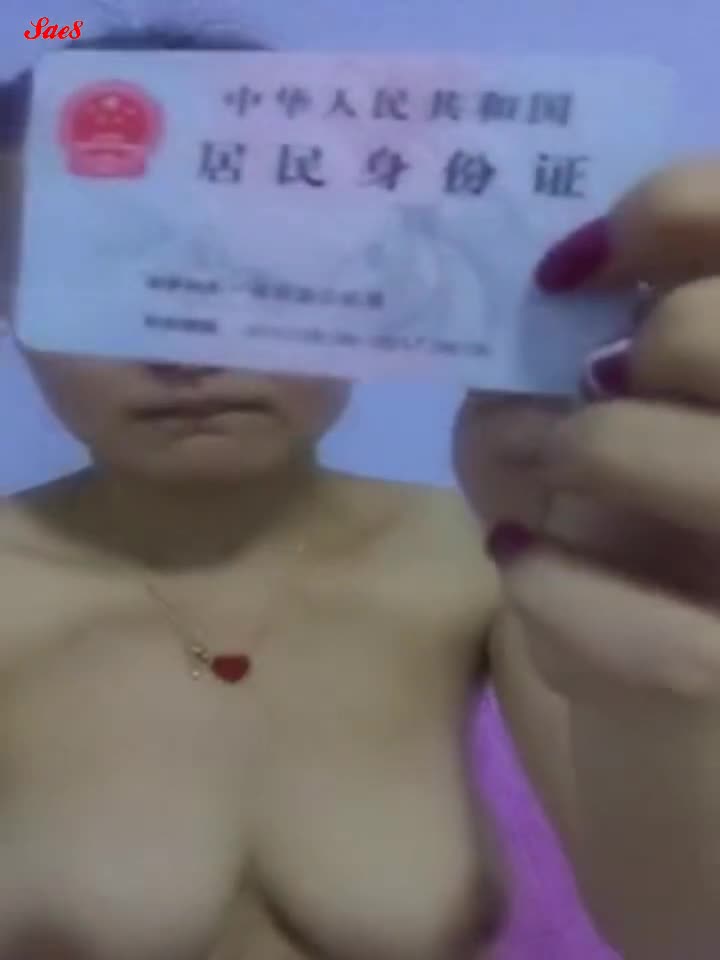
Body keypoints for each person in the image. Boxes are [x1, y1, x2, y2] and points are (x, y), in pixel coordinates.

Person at [1, 24, 720, 960]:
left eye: (259, 265)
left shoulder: (497, 561)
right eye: (95, 278)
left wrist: (676, 667)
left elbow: (687, 930)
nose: (184, 347)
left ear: (377, 273)